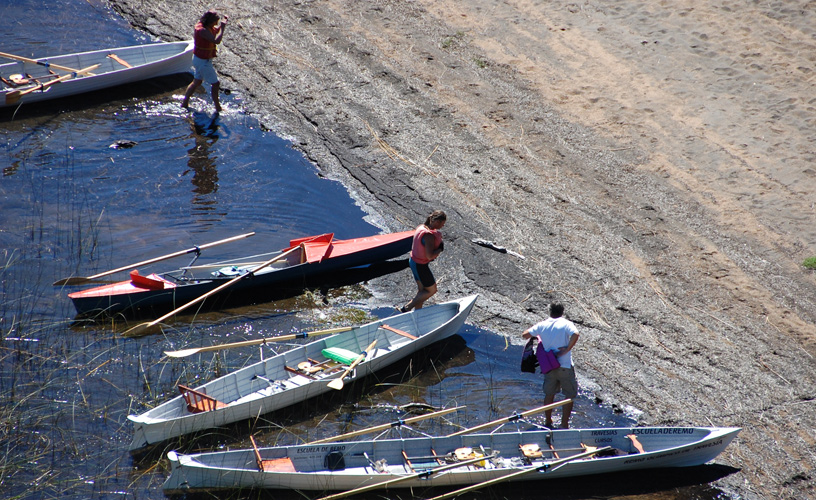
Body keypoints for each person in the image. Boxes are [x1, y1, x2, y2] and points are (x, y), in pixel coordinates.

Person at [522, 302, 580, 429]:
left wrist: (538, 335)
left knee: (549, 394)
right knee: (569, 396)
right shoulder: (566, 323)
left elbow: (525, 335)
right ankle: (564, 424)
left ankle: (548, 421)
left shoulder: (542, 325)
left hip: (549, 366)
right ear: (562, 312)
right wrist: (567, 349)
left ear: (550, 311)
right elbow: (575, 334)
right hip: (565, 366)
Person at [398, 210, 446, 312]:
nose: (443, 226)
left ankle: (417, 313)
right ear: (437, 222)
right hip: (420, 266)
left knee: (422, 291)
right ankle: (406, 308)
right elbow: (429, 256)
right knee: (432, 290)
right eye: (442, 223)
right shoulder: (429, 236)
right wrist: (440, 249)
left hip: (413, 262)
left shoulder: (422, 227)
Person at [182, 10, 228, 112]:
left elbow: (213, 32)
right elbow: (216, 40)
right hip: (203, 62)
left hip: (198, 59)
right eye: (215, 22)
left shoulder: (205, 26)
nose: (216, 24)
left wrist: (221, 24)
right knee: (215, 84)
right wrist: (223, 28)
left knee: (197, 82)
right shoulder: (202, 31)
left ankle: (184, 103)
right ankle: (218, 108)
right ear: (210, 22)